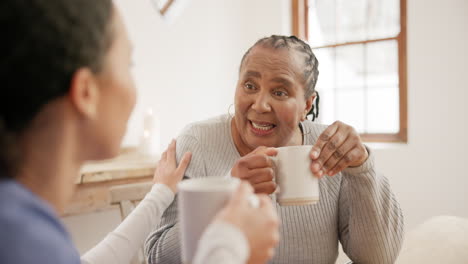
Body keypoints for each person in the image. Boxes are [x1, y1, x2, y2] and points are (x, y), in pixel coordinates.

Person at [0, 1, 279, 264]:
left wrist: (159, 194)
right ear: (86, 92)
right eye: (128, 64)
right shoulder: (21, 240)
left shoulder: (21, 229)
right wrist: (231, 247)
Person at [145, 35, 405, 264]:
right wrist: (227, 194)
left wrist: (361, 169)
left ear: (307, 104)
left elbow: (377, 258)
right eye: (250, 86)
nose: (260, 105)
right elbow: (157, 256)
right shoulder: (198, 143)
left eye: (280, 92)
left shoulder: (330, 149)